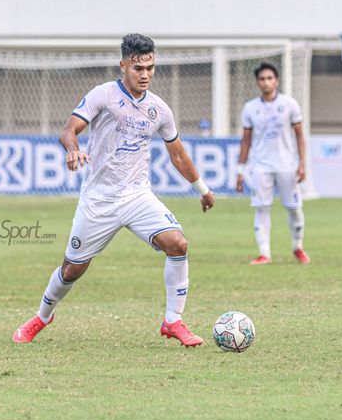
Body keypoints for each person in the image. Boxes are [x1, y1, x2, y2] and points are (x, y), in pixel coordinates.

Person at [12, 33, 215, 347]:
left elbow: (178, 154)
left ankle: (173, 321)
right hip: (99, 199)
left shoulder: (159, 109)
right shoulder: (103, 95)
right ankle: (42, 316)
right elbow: (69, 130)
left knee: (178, 243)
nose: (145, 74)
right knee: (72, 270)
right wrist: (72, 149)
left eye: (150, 67)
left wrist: (202, 188)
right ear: (123, 66)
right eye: (138, 68)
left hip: (136, 195)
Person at [236, 61, 310, 265]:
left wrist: (302, 164)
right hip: (260, 166)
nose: (266, 82)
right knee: (261, 208)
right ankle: (264, 253)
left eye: (269, 78)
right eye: (262, 79)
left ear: (276, 81)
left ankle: (298, 247)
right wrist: (240, 170)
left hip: (287, 165)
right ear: (257, 82)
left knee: (294, 207)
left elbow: (300, 137)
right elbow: (246, 141)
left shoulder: (289, 104)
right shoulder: (250, 108)